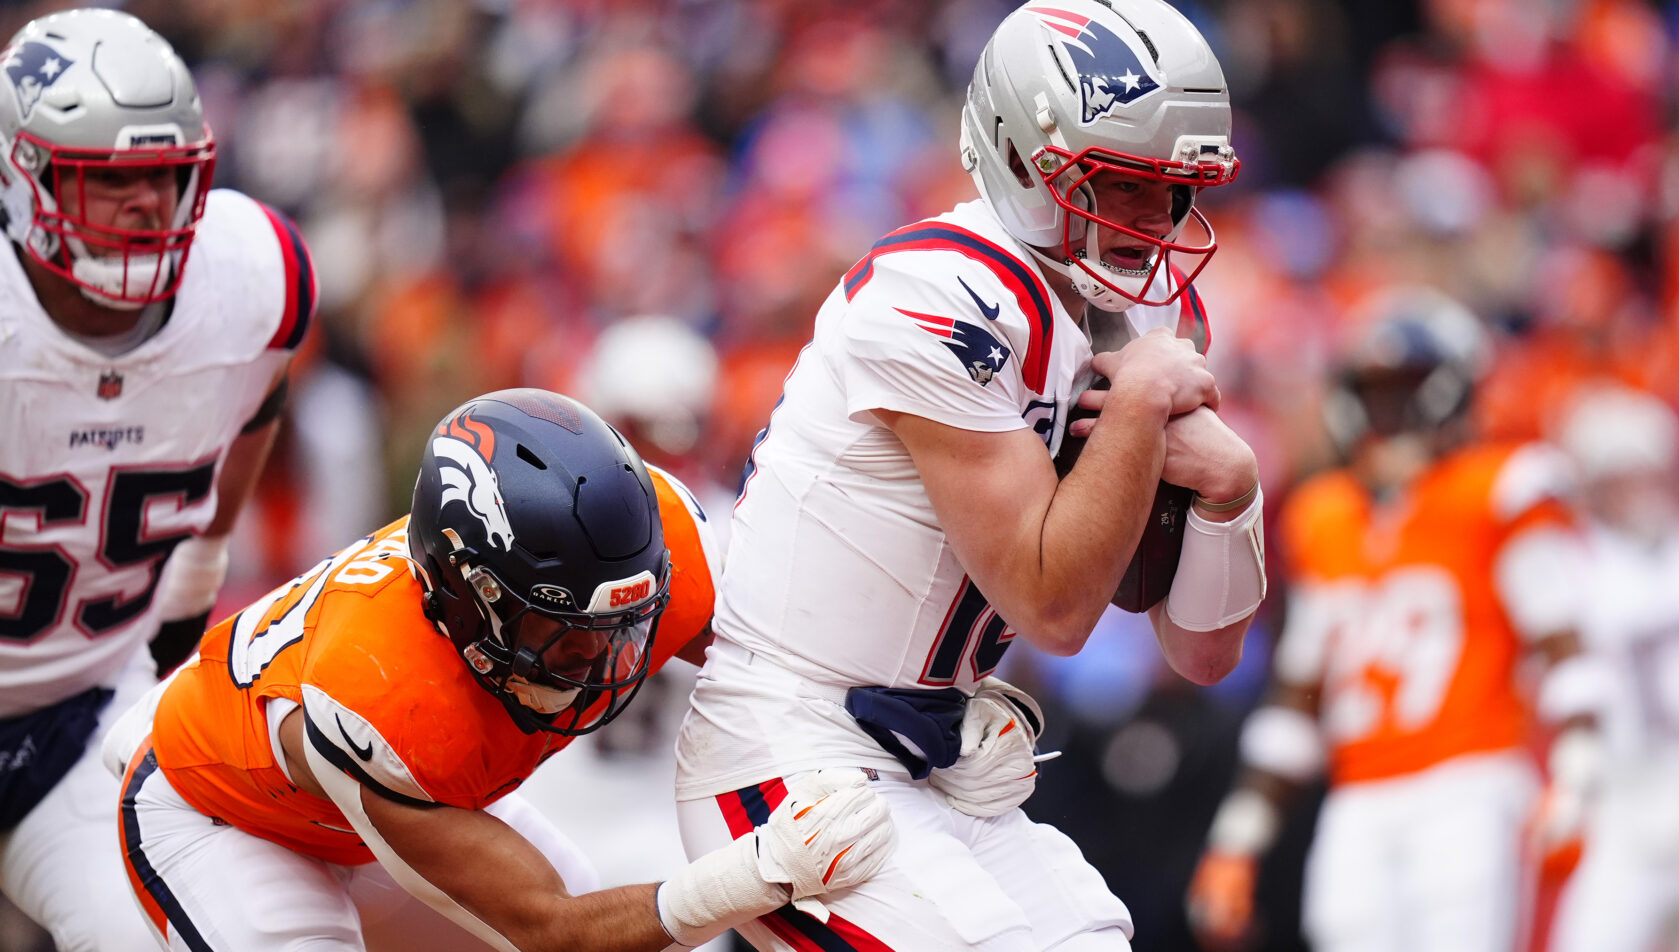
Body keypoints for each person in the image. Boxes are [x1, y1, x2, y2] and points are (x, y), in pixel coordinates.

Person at [674, 1, 1266, 948]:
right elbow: (1053, 607)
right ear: (1025, 158)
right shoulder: (939, 293)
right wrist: (1141, 408)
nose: (1155, 223)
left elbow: (1202, 654)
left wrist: (1232, 492)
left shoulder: (1143, 319)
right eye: (1123, 183)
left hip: (938, 755)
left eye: (1175, 189)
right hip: (792, 746)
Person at [104, 388, 896, 951]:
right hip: (223, 808)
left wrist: (913, 719)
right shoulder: (381, 692)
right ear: (464, 597)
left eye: (624, 625)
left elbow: (786, 668)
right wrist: (760, 870)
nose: (602, 658)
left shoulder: (656, 554)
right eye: (561, 627)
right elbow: (549, 928)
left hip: (385, 793)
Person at [0, 10, 311, 950]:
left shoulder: (251, 280)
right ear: (22, 177)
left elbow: (257, 390)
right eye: (109, 178)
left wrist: (202, 563)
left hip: (80, 714)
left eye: (164, 177)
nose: (145, 204)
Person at [1185, 287, 1599, 952]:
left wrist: (1577, 780)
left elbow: (1567, 652)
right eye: (1374, 392)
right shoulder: (1323, 514)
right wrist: (1236, 842)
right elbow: (1297, 699)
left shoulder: (1500, 488)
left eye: (1405, 390)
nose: (1387, 412)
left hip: (1471, 782)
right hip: (1359, 796)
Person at [1546, 383, 1679, 952]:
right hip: (1623, 802)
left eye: (1648, 476)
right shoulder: (1570, 565)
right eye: (1622, 480)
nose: (1641, 494)